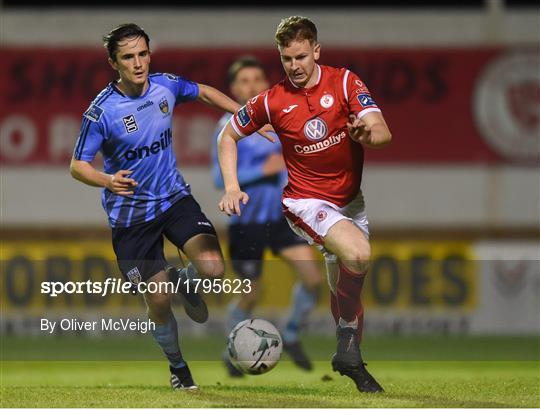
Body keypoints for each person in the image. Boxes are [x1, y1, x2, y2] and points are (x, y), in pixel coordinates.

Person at [217, 16, 392, 393]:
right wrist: (232, 185)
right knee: (359, 255)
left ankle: (348, 353)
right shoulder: (271, 101)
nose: (294, 66)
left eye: (300, 56)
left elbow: (382, 130)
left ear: (316, 50)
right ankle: (238, 345)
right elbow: (227, 136)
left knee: (344, 283)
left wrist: (367, 134)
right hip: (304, 202)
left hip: (350, 203)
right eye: (286, 59)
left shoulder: (345, 82)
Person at [70, 23, 241, 390]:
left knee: (213, 268)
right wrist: (108, 180)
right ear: (113, 62)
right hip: (131, 218)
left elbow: (206, 93)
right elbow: (77, 165)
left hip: (173, 198)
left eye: (143, 54)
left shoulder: (165, 85)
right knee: (160, 300)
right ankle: (178, 368)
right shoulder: (102, 113)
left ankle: (186, 278)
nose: (138, 63)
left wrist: (246, 118)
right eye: (128, 57)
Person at [211, 56, 324, 377]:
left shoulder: (280, 119)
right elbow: (220, 179)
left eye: (257, 79)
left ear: (265, 83)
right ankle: (231, 349)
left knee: (314, 278)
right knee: (250, 294)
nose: (251, 85)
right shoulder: (226, 127)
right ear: (233, 88)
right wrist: (263, 170)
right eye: (244, 80)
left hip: (282, 219)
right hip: (246, 223)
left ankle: (289, 334)